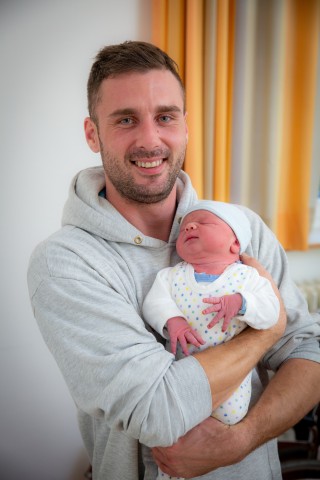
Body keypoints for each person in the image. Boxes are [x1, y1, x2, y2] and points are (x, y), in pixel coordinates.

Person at [27, 41, 320, 480]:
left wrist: (243, 439)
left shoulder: (244, 229)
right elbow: (160, 411)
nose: (150, 140)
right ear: (93, 134)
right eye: (126, 120)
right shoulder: (66, 262)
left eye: (165, 116)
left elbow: (309, 354)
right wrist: (265, 333)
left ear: (185, 126)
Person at [143, 200, 280, 480]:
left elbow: (272, 312)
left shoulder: (247, 277)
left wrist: (243, 304)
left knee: (228, 415)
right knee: (177, 436)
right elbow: (154, 302)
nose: (190, 226)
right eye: (184, 228)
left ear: (234, 243)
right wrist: (172, 319)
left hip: (234, 376)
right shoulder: (171, 276)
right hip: (184, 372)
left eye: (205, 223)